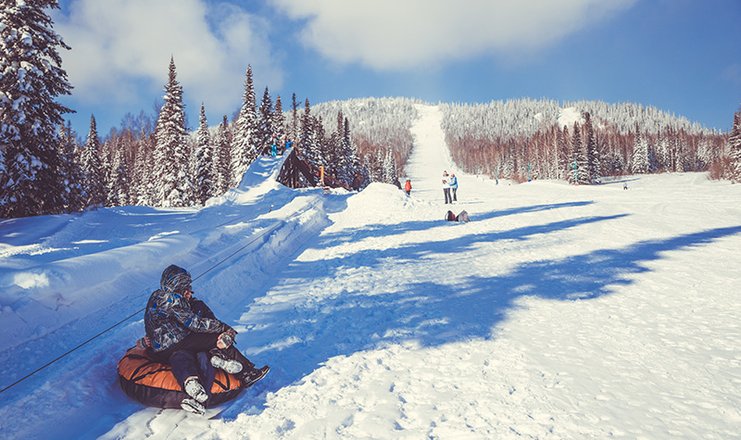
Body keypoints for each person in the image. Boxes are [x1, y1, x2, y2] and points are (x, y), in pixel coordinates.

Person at [144, 265, 269, 414]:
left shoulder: (156, 296)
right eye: (186, 284)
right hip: (175, 341)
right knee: (213, 338)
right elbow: (194, 323)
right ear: (179, 283)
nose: (189, 288)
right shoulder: (174, 299)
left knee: (186, 353)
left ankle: (205, 371)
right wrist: (222, 327)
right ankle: (246, 372)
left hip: (160, 349)